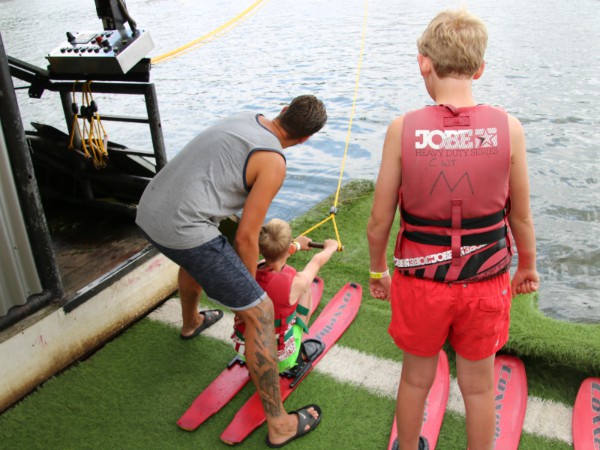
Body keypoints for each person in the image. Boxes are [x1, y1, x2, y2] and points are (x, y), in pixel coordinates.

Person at [366, 9, 539, 450]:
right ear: (480, 68)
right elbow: (520, 215)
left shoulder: (402, 130)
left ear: (423, 61)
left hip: (421, 283)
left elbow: (379, 219)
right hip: (485, 281)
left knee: (415, 379)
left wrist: (376, 269)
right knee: (479, 387)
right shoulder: (510, 129)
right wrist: (528, 267)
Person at [135, 95, 328, 448]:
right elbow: (246, 236)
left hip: (148, 212)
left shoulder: (247, 117)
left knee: (191, 258)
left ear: (282, 110)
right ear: (304, 140)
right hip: (183, 226)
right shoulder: (274, 162)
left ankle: (192, 322)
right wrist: (252, 288)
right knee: (262, 312)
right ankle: (279, 424)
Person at [231, 219, 339, 374]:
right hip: (279, 358)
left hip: (247, 351)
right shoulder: (296, 283)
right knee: (306, 288)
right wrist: (331, 247)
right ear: (289, 248)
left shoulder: (249, 269)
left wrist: (297, 245)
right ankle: (297, 354)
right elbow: (317, 261)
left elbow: (273, 257)